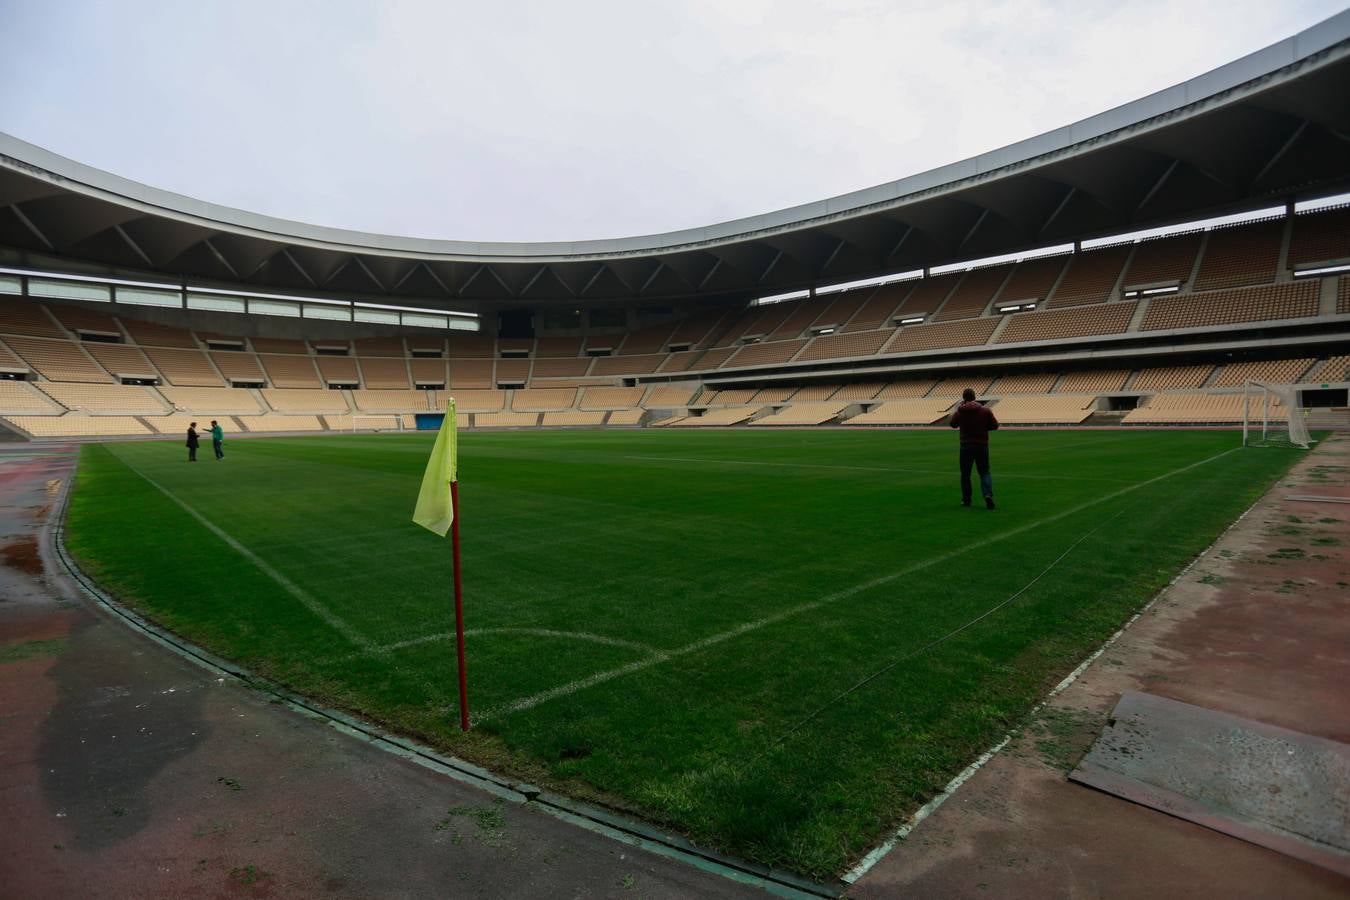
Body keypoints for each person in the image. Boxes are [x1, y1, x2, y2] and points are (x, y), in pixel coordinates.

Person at [949, 388, 998, 509]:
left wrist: (958, 410)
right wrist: (983, 428)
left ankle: (966, 500)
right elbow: (995, 426)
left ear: (964, 398)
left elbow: (953, 424)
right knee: (984, 472)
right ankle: (987, 495)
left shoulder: (961, 411)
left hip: (966, 446)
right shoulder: (985, 411)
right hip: (982, 445)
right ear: (975, 397)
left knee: (965, 474)